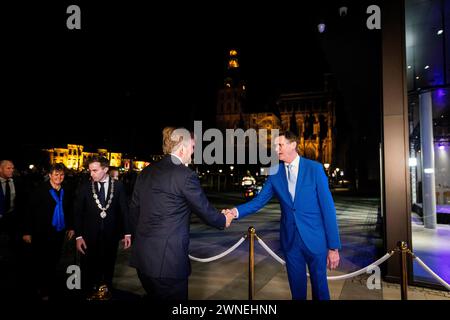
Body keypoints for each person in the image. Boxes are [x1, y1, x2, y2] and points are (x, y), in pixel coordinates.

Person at [225, 130, 341, 300]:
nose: (276, 149)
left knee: (320, 289)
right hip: (290, 241)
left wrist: (333, 247)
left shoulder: (314, 169)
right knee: (297, 291)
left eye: (279, 145)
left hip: (315, 240)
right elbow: (258, 202)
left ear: (293, 145)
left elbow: (328, 208)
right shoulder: (274, 173)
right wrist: (234, 212)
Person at [129, 127, 234, 300]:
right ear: (183, 148)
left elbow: (134, 210)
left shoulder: (146, 172)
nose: (193, 153)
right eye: (193, 148)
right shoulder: (185, 175)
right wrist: (223, 219)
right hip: (168, 263)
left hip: (143, 259)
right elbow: (203, 209)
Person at [74, 156, 131, 300]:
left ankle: (106, 291)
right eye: (90, 170)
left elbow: (124, 210)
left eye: (95, 170)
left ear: (105, 169)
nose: (91, 174)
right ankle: (88, 291)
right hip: (88, 236)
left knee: (108, 263)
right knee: (88, 265)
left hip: (111, 234)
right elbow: (78, 212)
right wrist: (79, 236)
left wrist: (127, 232)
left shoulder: (118, 186)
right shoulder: (85, 187)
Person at [22, 163, 75, 300]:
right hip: (41, 231)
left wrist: (71, 227)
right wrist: (27, 231)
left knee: (54, 259)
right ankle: (41, 288)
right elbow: (29, 211)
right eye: (56, 174)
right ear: (50, 175)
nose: (59, 177)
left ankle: (50, 285)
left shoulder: (66, 190)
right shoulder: (40, 190)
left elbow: (69, 210)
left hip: (58, 231)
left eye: (61, 174)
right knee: (41, 260)